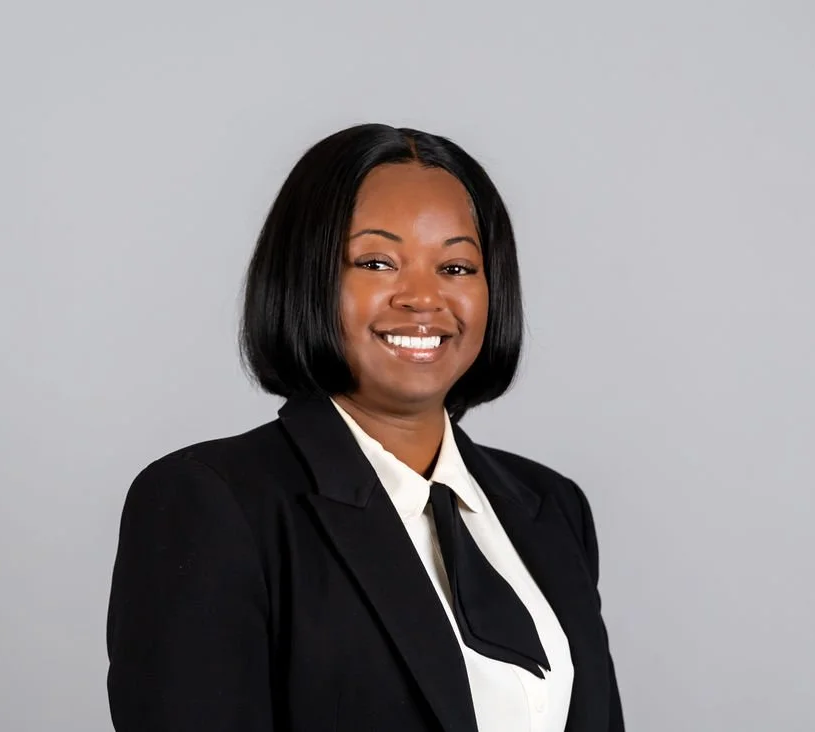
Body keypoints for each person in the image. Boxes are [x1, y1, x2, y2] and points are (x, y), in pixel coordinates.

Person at [106, 123, 625, 732]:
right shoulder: (213, 503)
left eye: (456, 267)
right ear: (306, 277)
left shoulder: (551, 507)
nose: (423, 298)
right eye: (377, 262)